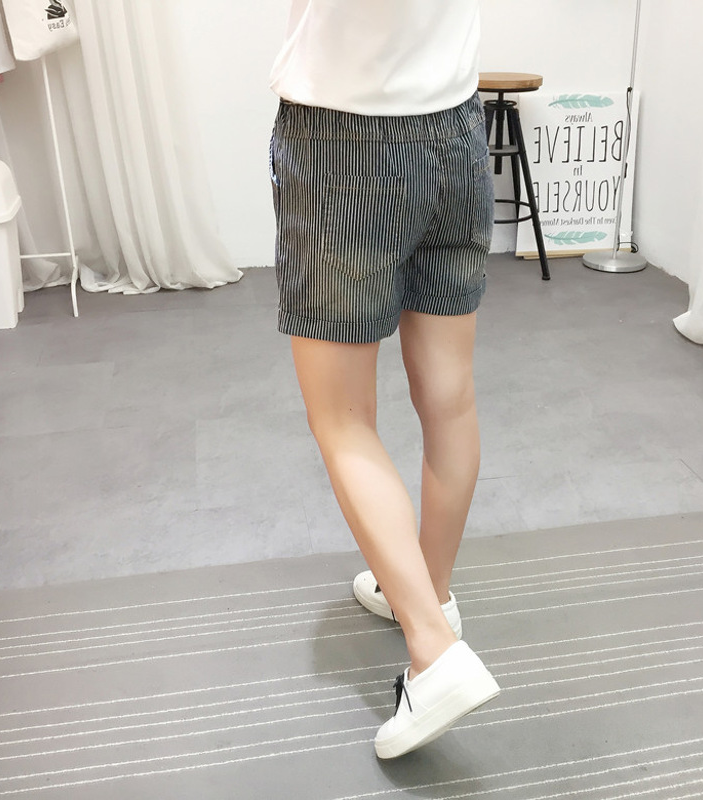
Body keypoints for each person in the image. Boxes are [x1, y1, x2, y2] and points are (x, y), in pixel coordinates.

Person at [269, 0, 500, 759]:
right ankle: (431, 595)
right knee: (450, 397)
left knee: (342, 417)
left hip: (343, 138)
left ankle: (432, 651)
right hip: (455, 127)